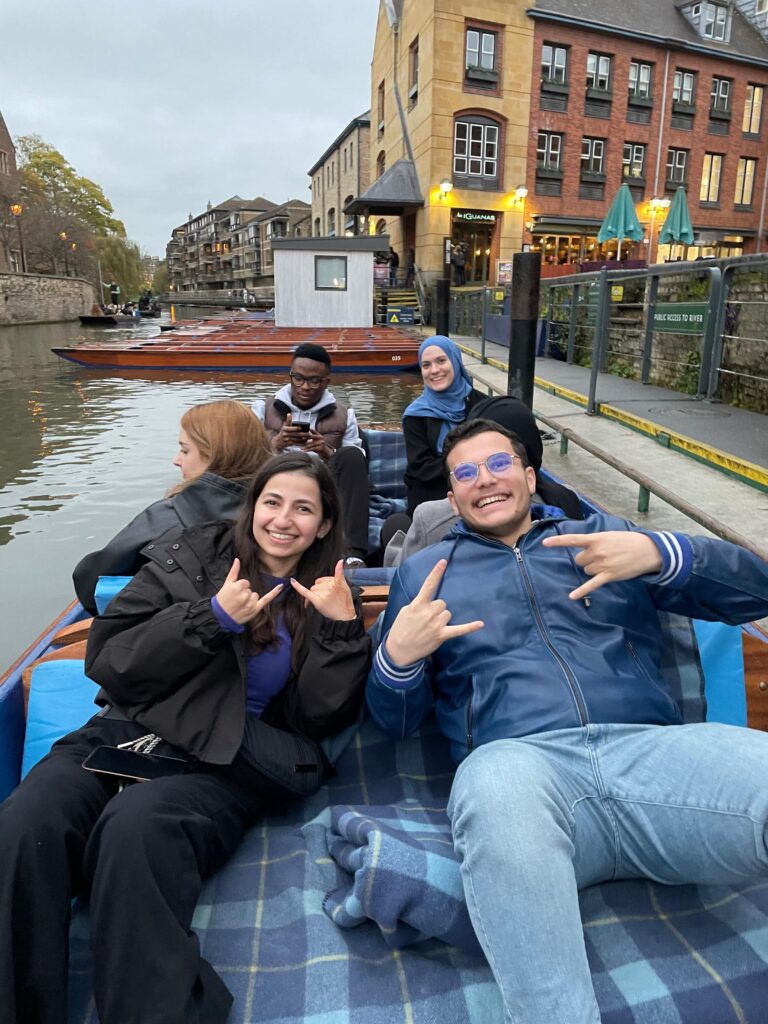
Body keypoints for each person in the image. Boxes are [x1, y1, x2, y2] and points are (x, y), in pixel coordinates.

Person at [367, 417, 768, 1024]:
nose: (485, 481)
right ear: (451, 498)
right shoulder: (423, 575)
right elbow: (392, 721)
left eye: (499, 464)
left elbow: (756, 592)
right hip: (524, 774)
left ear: (529, 476)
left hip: (654, 764)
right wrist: (397, 659)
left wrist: (664, 552)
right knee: (495, 781)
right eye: (465, 474)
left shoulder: (604, 537)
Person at [0, 451, 372, 1024]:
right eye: (272, 502)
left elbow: (317, 719)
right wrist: (213, 617)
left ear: (323, 525)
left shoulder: (324, 595)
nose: (282, 519)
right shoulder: (191, 558)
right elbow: (110, 658)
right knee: (28, 822)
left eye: (304, 508)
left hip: (225, 761)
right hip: (126, 732)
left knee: (136, 829)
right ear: (252, 510)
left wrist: (343, 631)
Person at [73, 400, 274, 613]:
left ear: (214, 456)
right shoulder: (279, 513)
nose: (176, 460)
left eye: (185, 451)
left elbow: (89, 584)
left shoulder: (169, 516)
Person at [253, 342, 370, 564]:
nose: (305, 386)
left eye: (314, 380)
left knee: (351, 455)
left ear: (326, 381)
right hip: (275, 478)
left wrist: (328, 452)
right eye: (298, 378)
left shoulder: (345, 414)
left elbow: (358, 462)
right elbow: (244, 455)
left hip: (323, 481)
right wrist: (276, 444)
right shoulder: (262, 408)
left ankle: (353, 554)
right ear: (290, 376)